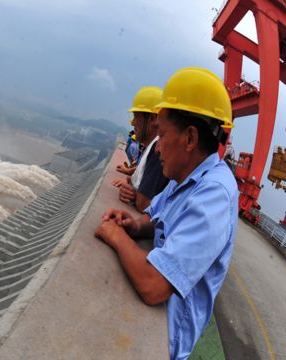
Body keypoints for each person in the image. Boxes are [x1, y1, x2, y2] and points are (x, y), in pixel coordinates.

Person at [95, 67, 238, 359]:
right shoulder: (184, 179)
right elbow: (155, 216)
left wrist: (116, 237)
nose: (157, 149)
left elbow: (154, 286)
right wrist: (134, 226)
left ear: (189, 138)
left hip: (165, 341)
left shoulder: (215, 196)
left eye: (161, 134)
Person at [113, 86, 169, 212]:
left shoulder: (157, 149)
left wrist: (135, 195)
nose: (132, 123)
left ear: (152, 119)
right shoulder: (151, 147)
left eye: (136, 116)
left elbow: (144, 203)